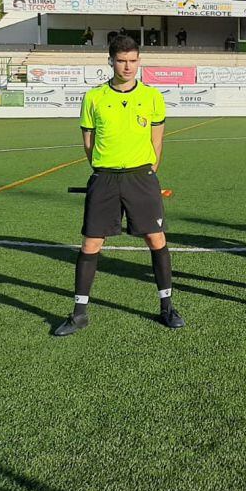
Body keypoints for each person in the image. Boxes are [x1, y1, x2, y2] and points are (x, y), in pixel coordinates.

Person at [53, 35, 184, 336]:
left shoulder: (152, 96)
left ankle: (166, 307)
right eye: (122, 60)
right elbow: (88, 141)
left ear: (139, 61)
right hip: (105, 178)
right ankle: (79, 313)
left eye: (133, 60)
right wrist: (103, 167)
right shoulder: (94, 97)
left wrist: (150, 168)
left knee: (156, 239)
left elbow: (157, 137)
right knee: (91, 244)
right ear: (111, 61)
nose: (128, 66)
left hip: (141, 177)